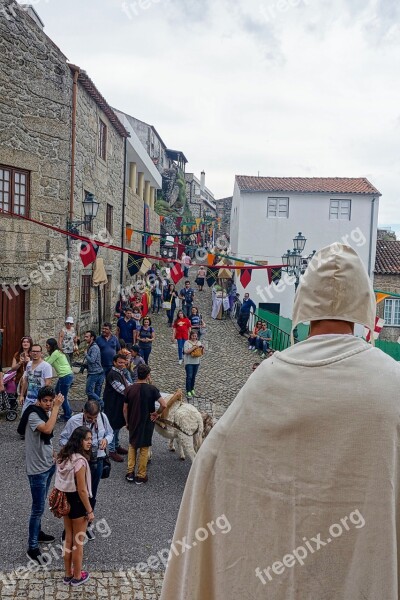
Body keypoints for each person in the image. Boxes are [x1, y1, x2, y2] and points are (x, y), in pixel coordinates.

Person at [160, 243, 400, 600]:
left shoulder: (268, 378)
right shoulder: (393, 382)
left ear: (304, 302)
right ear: (364, 302)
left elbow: (210, 466)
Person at [17, 386, 63, 565]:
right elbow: (47, 429)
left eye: (51, 401)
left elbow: (49, 437)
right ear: (39, 401)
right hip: (37, 470)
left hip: (48, 465)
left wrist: (53, 454)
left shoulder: (45, 412)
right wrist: (57, 408)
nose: (49, 404)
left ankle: (38, 533)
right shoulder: (34, 414)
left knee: (41, 505)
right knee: (37, 509)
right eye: (46, 401)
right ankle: (32, 547)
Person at [59, 400, 113, 538]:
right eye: (89, 418)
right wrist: (76, 448)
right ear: (84, 412)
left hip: (97, 460)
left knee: (91, 494)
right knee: (75, 494)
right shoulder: (73, 421)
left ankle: (86, 524)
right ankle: (69, 529)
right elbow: (63, 440)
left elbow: (110, 433)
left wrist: (106, 440)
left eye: (95, 418)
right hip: (79, 462)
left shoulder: (103, 417)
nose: (93, 421)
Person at [55, 426, 93, 587]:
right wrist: (89, 510)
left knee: (68, 539)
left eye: (91, 439)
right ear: (79, 441)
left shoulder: (64, 456)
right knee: (79, 542)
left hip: (65, 501)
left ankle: (67, 574)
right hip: (78, 504)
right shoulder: (79, 461)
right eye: (87, 439)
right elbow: (82, 489)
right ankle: (77, 576)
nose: (90, 442)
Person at [123, 364, 167, 484]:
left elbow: (125, 409)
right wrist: (156, 414)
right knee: (144, 447)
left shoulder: (129, 389)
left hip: (133, 420)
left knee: (132, 445)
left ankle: (130, 472)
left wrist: (127, 422)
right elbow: (163, 404)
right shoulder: (152, 389)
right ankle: (141, 475)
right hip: (147, 421)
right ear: (148, 375)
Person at [103, 354, 130, 462]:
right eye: (120, 363)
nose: (122, 365)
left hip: (118, 404)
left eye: (124, 363)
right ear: (114, 362)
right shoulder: (112, 374)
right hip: (112, 405)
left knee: (118, 426)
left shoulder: (120, 373)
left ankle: (117, 445)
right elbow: (123, 390)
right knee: (113, 427)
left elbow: (128, 384)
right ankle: (112, 450)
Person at [45, 338, 73, 422]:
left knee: (62, 397)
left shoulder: (56, 353)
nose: (46, 347)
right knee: (57, 391)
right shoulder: (55, 352)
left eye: (47, 346)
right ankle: (68, 412)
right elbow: (46, 359)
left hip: (65, 376)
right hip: (64, 376)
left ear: (51, 346)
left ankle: (67, 415)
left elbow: (47, 363)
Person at [19, 344, 53, 412]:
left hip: (40, 401)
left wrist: (40, 399)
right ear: (30, 353)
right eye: (33, 351)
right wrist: (22, 395)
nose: (35, 353)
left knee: (40, 421)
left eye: (37, 351)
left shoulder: (46, 366)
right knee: (24, 419)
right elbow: (25, 380)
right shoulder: (28, 364)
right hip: (28, 399)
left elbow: (47, 384)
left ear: (41, 353)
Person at [83, 330, 105, 409]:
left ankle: (101, 403)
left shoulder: (94, 347)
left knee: (89, 391)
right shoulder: (90, 346)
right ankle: (94, 408)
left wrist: (85, 354)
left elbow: (92, 360)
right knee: (96, 392)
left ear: (92, 338)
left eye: (87, 337)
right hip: (97, 372)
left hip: (95, 373)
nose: (85, 338)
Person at [183, 331, 204, 397]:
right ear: (190, 336)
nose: (194, 337)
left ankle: (192, 389)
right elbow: (186, 351)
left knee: (193, 377)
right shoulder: (187, 342)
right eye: (193, 336)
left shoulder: (199, 342)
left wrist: (202, 348)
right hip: (189, 362)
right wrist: (194, 347)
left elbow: (202, 353)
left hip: (196, 362)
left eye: (195, 336)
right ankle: (188, 390)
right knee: (189, 377)